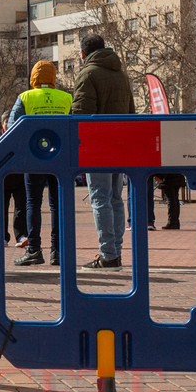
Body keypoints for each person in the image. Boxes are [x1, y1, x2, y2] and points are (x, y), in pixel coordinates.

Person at [72, 32, 136, 270]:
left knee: (100, 199)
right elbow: (131, 113)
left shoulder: (88, 74)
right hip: (119, 146)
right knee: (116, 199)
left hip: (97, 147)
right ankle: (115, 252)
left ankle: (108, 255)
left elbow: (80, 116)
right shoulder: (121, 74)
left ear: (83, 54)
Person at [10, 61, 73, 267]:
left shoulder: (26, 97)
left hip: (33, 156)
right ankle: (58, 251)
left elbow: (12, 129)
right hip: (61, 159)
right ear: (53, 77)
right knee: (57, 205)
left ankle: (34, 250)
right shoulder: (66, 98)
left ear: (34, 78)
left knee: (33, 204)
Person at [0, 113, 27, 246]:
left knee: (21, 210)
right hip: (2, 181)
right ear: (2, 124)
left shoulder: (22, 138)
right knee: (2, 209)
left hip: (20, 180)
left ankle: (21, 236)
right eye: (6, 121)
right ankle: (2, 237)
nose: (9, 123)